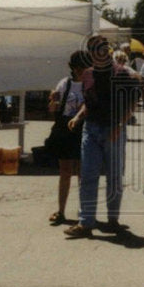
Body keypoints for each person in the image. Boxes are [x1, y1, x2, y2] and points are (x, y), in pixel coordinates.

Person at [64, 35, 138, 238]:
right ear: (91, 53)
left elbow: (132, 102)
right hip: (91, 128)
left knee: (114, 177)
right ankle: (85, 222)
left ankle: (113, 220)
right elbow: (89, 101)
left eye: (103, 48)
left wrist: (120, 125)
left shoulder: (121, 73)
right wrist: (78, 117)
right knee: (88, 176)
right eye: (96, 49)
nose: (101, 52)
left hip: (113, 130)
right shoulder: (88, 74)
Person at [47, 50, 90, 226]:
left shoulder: (90, 84)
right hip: (65, 130)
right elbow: (52, 109)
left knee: (82, 172)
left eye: (83, 67)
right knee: (65, 172)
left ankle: (83, 213)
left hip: (83, 129)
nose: (80, 71)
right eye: (77, 67)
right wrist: (52, 101)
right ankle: (61, 211)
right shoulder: (65, 83)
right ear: (72, 67)